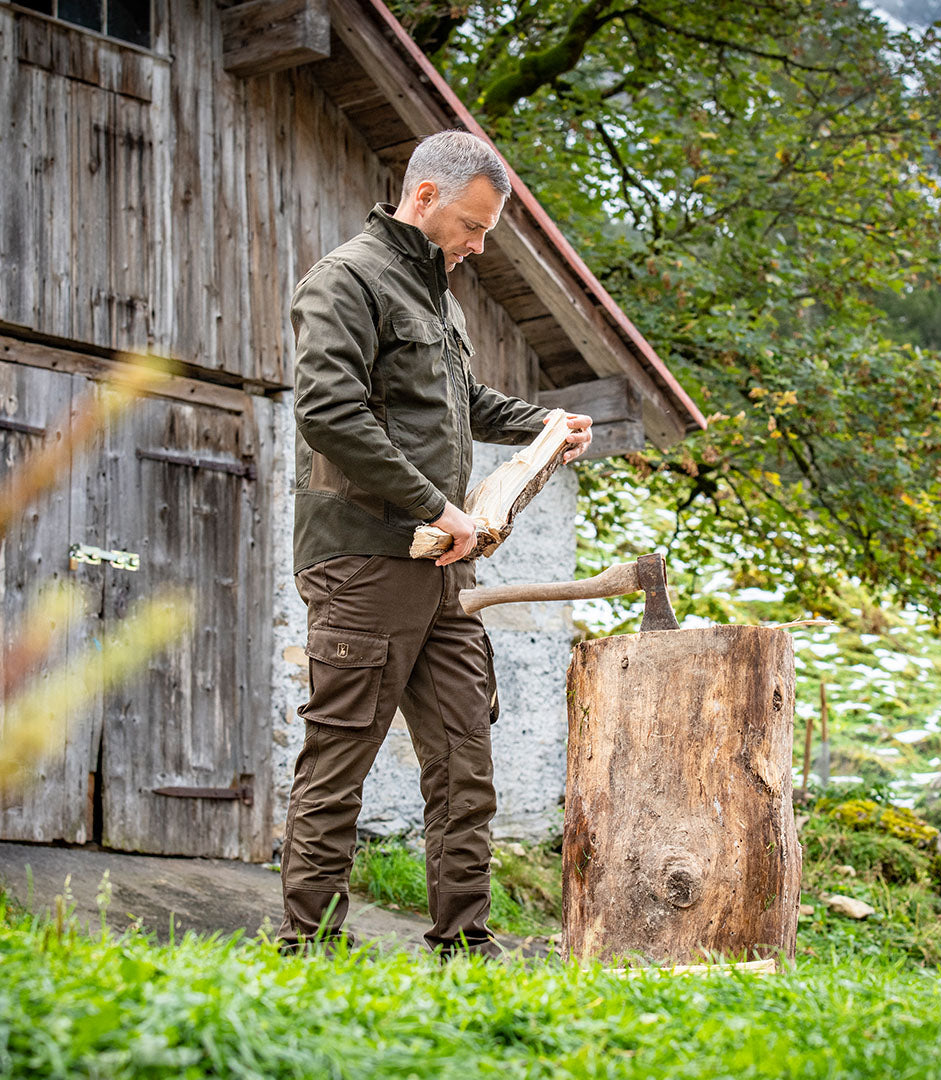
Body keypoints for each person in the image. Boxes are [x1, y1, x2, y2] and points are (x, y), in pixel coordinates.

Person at [277, 130, 593, 956]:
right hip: (364, 558)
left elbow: (464, 404)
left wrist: (547, 427)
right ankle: (307, 947)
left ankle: (463, 944)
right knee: (339, 759)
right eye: (473, 226)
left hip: (442, 571)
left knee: (464, 761)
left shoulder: (441, 301)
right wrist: (436, 506)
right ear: (424, 198)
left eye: (488, 232)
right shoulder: (345, 280)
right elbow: (330, 414)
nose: (479, 246)